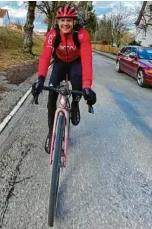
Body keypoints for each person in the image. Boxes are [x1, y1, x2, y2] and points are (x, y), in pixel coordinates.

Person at [31, 5, 97, 154]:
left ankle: (74, 104)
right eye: (62, 20)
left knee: (77, 81)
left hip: (76, 63)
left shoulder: (82, 35)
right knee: (51, 97)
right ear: (57, 21)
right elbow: (45, 56)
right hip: (60, 63)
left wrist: (87, 86)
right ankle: (50, 133)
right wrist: (40, 79)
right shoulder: (53, 34)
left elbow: (87, 60)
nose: (65, 23)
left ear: (74, 22)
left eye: (69, 20)